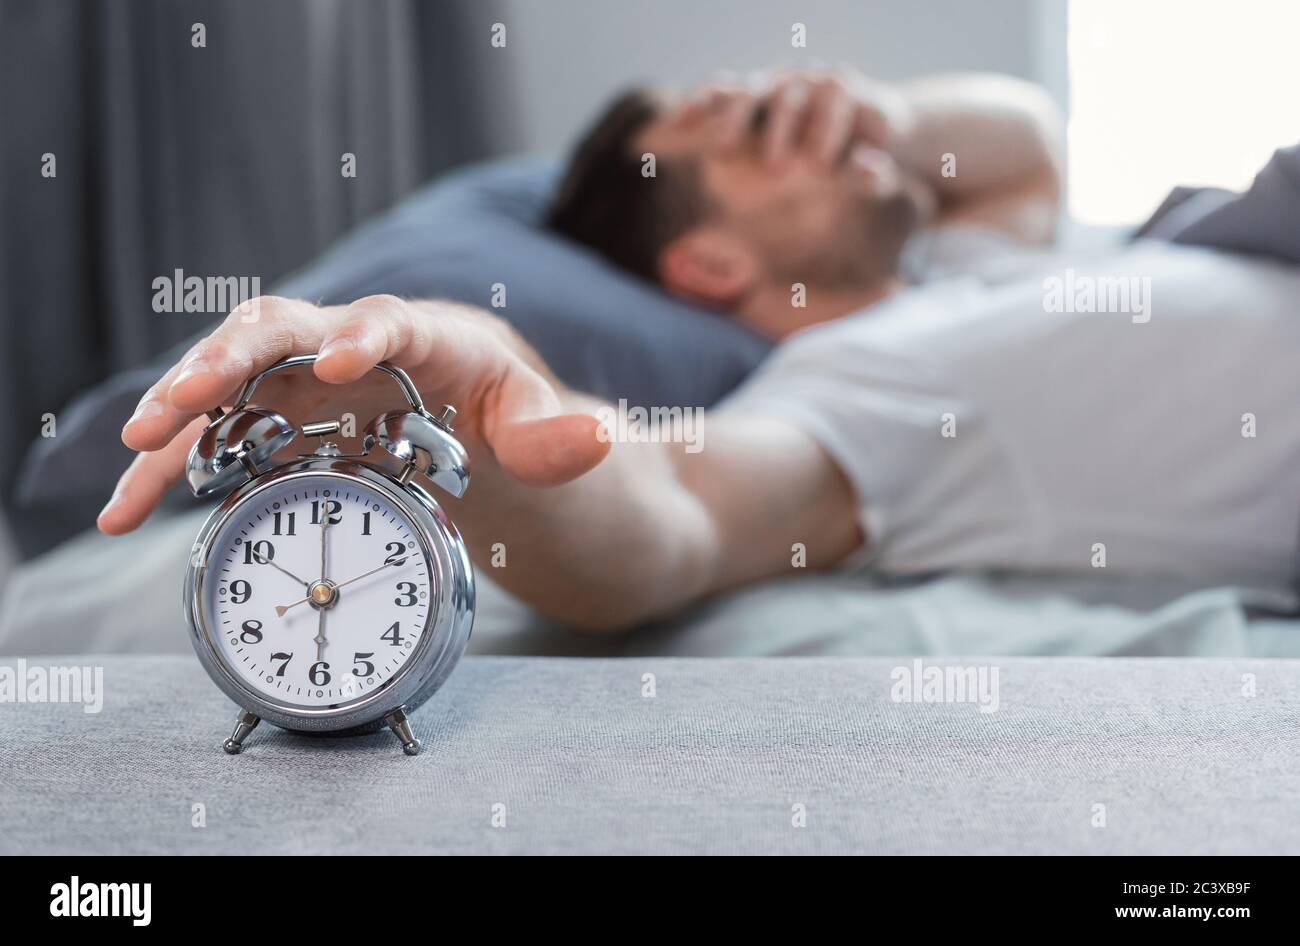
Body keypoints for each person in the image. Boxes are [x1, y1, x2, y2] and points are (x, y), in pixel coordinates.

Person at [98, 70, 1300, 631]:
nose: (791, 105)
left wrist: (884, 113)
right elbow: (670, 516)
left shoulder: (976, 270)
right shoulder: (861, 384)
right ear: (711, 268)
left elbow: (1025, 143)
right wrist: (460, 380)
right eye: (752, 132)